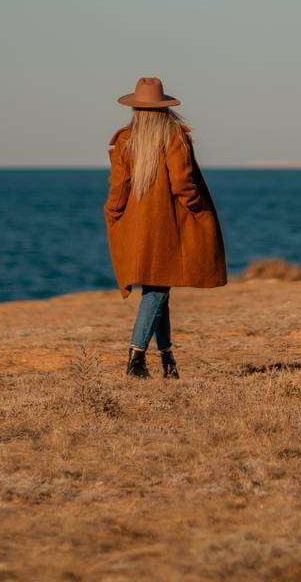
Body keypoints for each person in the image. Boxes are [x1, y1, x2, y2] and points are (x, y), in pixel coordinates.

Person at [104, 76, 227, 379]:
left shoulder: (125, 140)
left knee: (158, 286)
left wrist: (112, 214)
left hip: (138, 226)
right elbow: (183, 182)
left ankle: (168, 360)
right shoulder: (173, 135)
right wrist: (198, 209)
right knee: (157, 289)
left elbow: (118, 190)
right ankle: (136, 357)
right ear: (164, 107)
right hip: (169, 224)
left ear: (136, 108)